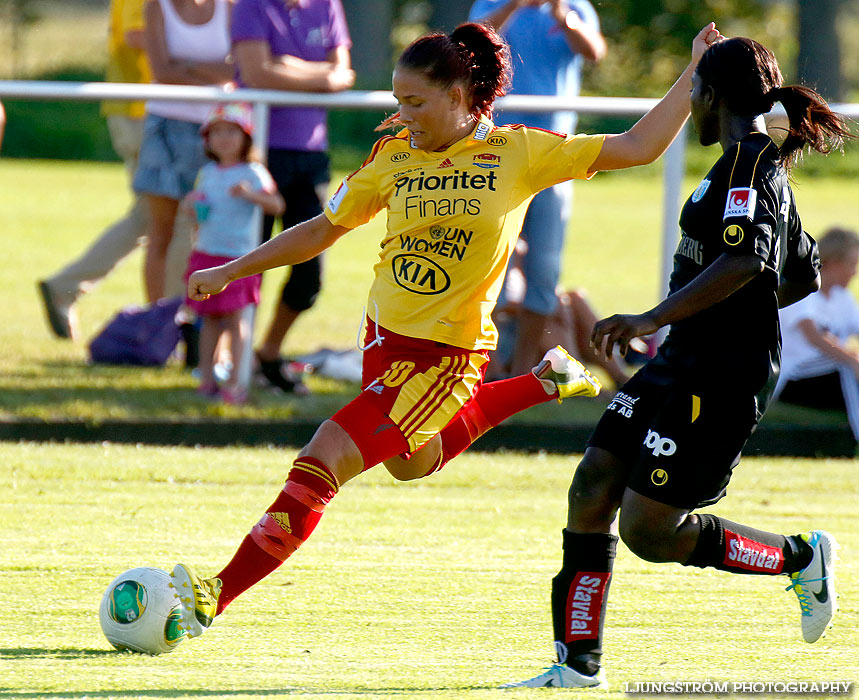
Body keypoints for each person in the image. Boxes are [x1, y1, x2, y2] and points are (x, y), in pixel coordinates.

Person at [164, 20, 723, 648]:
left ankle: (216, 593)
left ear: (459, 97)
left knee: (324, 457)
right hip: (382, 342)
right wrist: (235, 266)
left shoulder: (520, 152)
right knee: (412, 463)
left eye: (416, 102)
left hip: (444, 359)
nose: (404, 114)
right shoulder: (394, 154)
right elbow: (321, 229)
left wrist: (693, 71)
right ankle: (542, 382)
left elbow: (639, 145)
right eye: (398, 101)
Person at [506, 37, 851, 690]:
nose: (688, 104)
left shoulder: (751, 161)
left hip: (720, 377)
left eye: (691, 90)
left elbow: (750, 260)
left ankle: (799, 559)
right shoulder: (737, 162)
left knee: (648, 530)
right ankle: (576, 666)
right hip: (681, 361)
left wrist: (651, 317)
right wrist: (711, 313)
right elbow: (799, 270)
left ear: (709, 97)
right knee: (591, 485)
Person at [469, 0, 606, 377]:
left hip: (554, 156)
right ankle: (489, 374)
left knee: (544, 272)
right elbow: (468, 47)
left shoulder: (575, 7)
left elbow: (594, 51)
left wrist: (564, 18)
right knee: (488, 270)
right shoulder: (491, 4)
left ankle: (521, 376)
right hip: (495, 155)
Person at [230, 0, 355, 394]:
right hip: (259, 153)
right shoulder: (250, 6)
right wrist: (321, 75)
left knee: (309, 273)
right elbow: (255, 72)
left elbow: (345, 74)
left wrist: (286, 66)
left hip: (311, 154)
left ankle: (268, 352)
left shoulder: (327, 5)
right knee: (245, 262)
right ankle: (231, 360)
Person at [38, 0, 156, 340]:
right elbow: (137, 35)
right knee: (156, 215)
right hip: (141, 112)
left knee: (153, 217)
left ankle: (67, 286)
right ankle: (68, 285)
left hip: (152, 111)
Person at [182, 102, 285, 404]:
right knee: (209, 320)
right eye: (217, 133)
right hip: (206, 253)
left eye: (231, 132)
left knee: (238, 320)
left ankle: (235, 383)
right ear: (207, 139)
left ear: (246, 138)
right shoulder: (207, 172)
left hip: (238, 259)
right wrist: (191, 205)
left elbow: (277, 205)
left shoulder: (253, 172)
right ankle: (206, 377)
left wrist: (250, 195)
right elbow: (198, 215)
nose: (224, 139)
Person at [134, 0, 234, 304]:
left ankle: (199, 323)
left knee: (210, 234)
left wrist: (186, 65)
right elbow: (162, 71)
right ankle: (157, 321)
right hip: (164, 128)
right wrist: (212, 76)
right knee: (160, 235)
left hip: (218, 132)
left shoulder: (229, 7)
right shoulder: (156, 7)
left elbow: (235, 69)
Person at [776, 226, 859, 444]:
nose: (855, 272)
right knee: (845, 368)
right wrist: (853, 361)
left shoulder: (843, 298)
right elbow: (815, 337)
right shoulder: (803, 291)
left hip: (824, 375)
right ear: (832, 262)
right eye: (852, 264)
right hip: (795, 377)